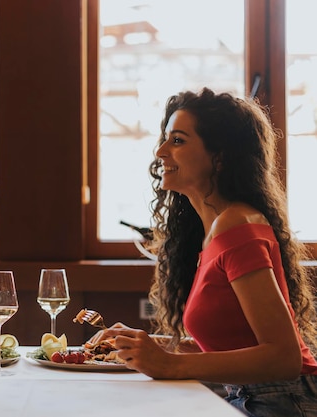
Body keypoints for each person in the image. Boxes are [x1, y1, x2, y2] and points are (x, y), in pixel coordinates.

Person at [88, 88, 317, 417]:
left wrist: (169, 365)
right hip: (255, 396)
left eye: (178, 141)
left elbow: (284, 358)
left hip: (283, 401)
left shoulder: (237, 225)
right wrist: (151, 345)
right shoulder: (216, 230)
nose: (161, 151)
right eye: (165, 139)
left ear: (219, 156)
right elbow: (234, 347)